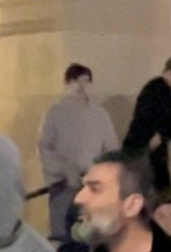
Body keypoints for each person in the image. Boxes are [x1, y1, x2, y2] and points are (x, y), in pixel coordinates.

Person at [39, 64, 120, 241]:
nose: (81, 86)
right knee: (62, 233)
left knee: (94, 233)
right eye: (76, 81)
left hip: (94, 183)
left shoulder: (100, 114)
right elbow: (44, 147)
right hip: (63, 184)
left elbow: (111, 148)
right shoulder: (55, 113)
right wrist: (64, 170)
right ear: (68, 83)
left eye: (86, 81)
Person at [124, 57, 171, 191]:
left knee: (159, 174)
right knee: (131, 174)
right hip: (139, 137)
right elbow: (142, 115)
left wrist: (162, 135)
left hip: (163, 140)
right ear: (164, 74)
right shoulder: (153, 87)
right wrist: (150, 137)